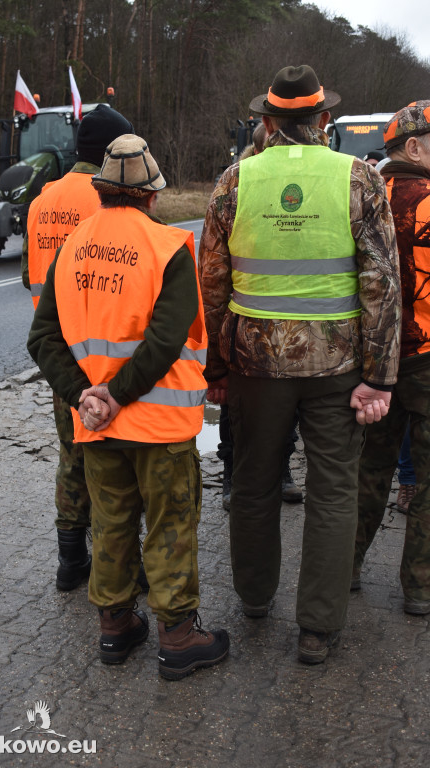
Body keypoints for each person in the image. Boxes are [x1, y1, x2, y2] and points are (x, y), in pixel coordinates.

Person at [198, 65, 400, 663]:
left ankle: (255, 598)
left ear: (266, 122)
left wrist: (217, 366)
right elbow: (384, 285)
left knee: (254, 483)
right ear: (323, 121)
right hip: (337, 367)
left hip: (255, 366)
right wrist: (378, 376)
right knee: (334, 491)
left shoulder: (234, 181)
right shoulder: (359, 178)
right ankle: (317, 627)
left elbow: (210, 282)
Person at [27, 134, 229, 679]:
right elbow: (164, 342)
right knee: (170, 524)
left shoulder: (72, 246)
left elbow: (42, 338)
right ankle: (179, 637)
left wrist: (85, 397)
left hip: (95, 425)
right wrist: (116, 395)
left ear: (101, 191)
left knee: (111, 521)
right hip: (159, 424)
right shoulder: (167, 247)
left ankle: (116, 629)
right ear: (151, 196)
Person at [22, 104, 135, 591]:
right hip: (102, 347)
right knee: (115, 459)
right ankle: (125, 565)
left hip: (55, 350)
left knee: (70, 452)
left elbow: (30, 275)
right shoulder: (107, 198)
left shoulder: (42, 200)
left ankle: (70, 560)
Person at [353, 102, 430, 615]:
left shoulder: (364, 196)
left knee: (367, 470)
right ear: (415, 147)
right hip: (426, 358)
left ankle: (343, 570)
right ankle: (420, 588)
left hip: (372, 360)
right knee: (427, 480)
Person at [219, 119, 303, 510]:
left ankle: (275, 471)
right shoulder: (240, 185)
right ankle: (232, 476)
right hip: (248, 325)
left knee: (281, 417)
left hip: (285, 327)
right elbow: (214, 274)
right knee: (237, 416)